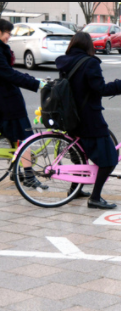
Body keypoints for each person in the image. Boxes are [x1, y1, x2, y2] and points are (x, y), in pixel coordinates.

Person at [55, 32, 121, 209]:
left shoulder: (66, 62)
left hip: (71, 118)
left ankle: (75, 189)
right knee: (110, 159)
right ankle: (95, 197)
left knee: (81, 155)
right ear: (88, 46)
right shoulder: (89, 63)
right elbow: (100, 89)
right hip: (89, 120)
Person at [0, 19, 47, 189]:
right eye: (7, 33)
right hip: (7, 102)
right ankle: (28, 174)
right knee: (23, 137)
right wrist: (35, 83)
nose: (9, 37)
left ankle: (16, 170)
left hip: (5, 100)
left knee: (13, 137)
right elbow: (9, 75)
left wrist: (33, 80)